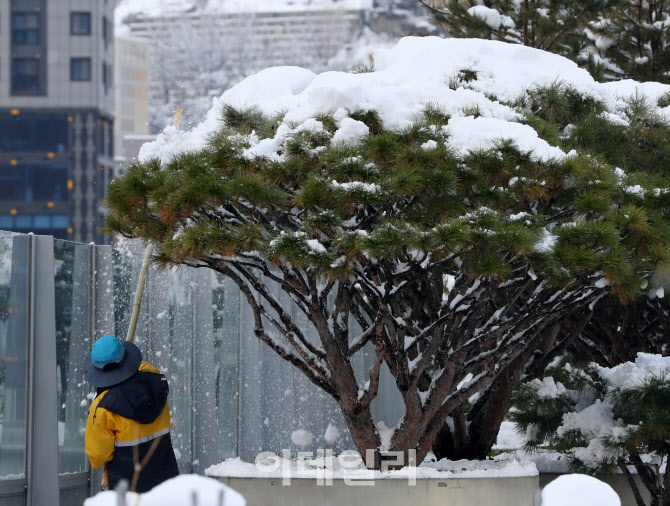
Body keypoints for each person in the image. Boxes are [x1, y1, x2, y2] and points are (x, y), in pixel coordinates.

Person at [84, 334, 179, 492]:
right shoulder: (154, 380)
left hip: (129, 489)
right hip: (167, 482)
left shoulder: (102, 409)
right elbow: (139, 368)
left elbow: (98, 457)